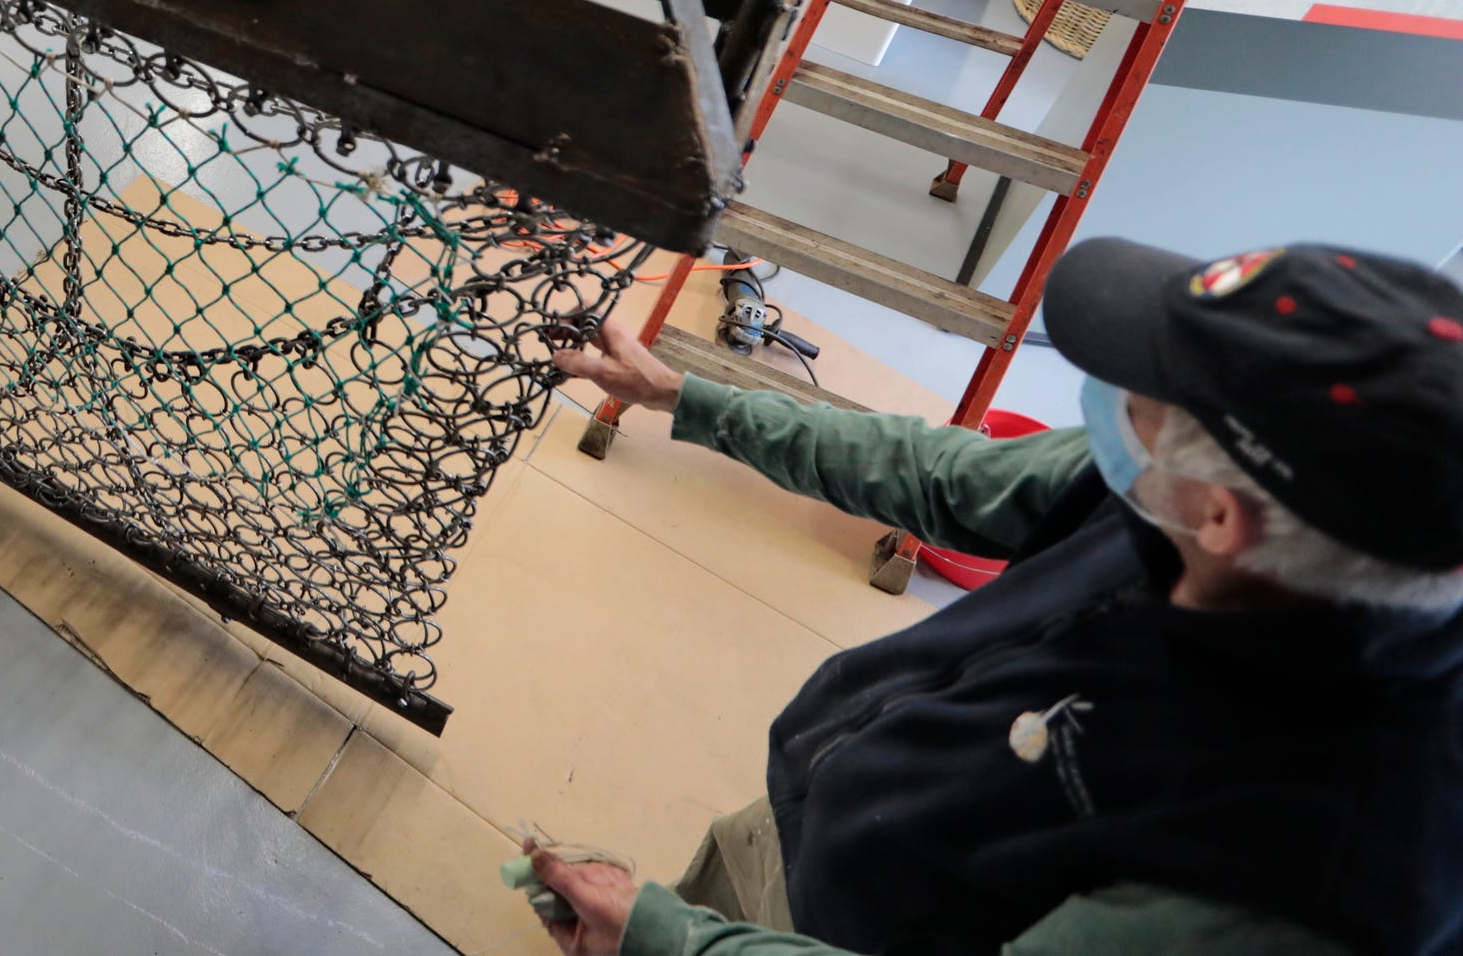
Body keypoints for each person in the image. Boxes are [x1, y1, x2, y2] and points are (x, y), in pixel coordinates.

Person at [531, 237, 1463, 956]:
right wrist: (687, 398)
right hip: (816, 834)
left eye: (1147, 385)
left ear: (1222, 515)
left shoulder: (1305, 875)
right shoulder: (1176, 497)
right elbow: (944, 474)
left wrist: (669, 944)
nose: (1108, 394)